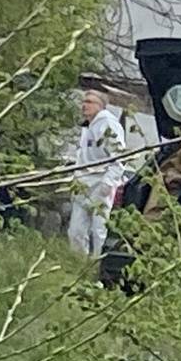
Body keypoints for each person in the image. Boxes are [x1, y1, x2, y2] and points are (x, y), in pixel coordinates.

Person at [66, 74, 128, 258]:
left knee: (99, 228)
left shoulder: (107, 124)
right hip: (82, 182)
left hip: (100, 181)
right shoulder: (88, 127)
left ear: (100, 105)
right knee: (76, 229)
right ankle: (78, 262)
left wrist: (109, 182)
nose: (85, 105)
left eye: (90, 101)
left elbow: (119, 156)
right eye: (84, 101)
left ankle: (99, 263)